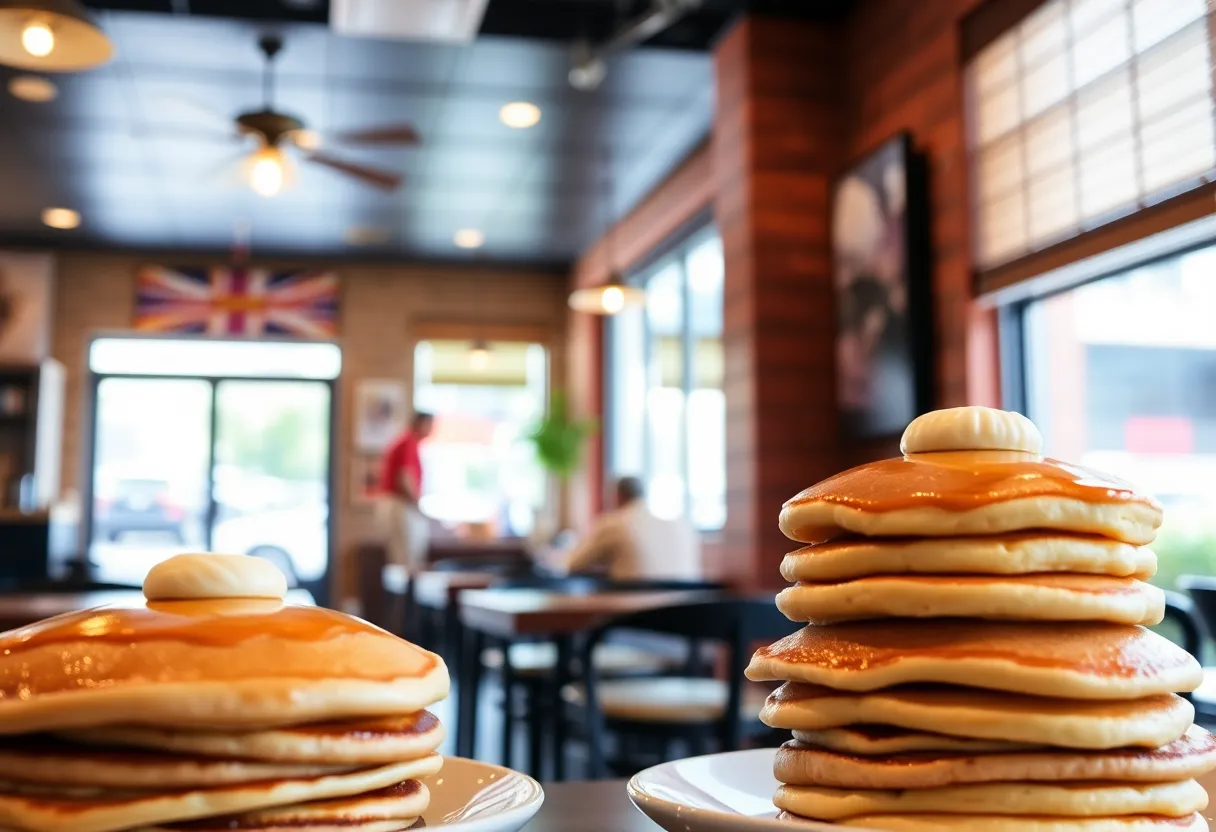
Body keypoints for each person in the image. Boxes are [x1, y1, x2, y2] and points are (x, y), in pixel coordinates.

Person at [560, 476, 701, 581]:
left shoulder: (614, 524)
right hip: (685, 614)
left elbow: (574, 564)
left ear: (617, 497)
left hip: (633, 615)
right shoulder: (683, 526)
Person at [375, 411, 435, 572]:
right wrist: (417, 504)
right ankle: (406, 596)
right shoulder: (408, 442)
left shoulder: (408, 442)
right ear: (421, 424)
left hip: (398, 504)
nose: (432, 430)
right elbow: (404, 477)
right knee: (405, 560)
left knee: (404, 558)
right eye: (430, 425)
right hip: (400, 504)